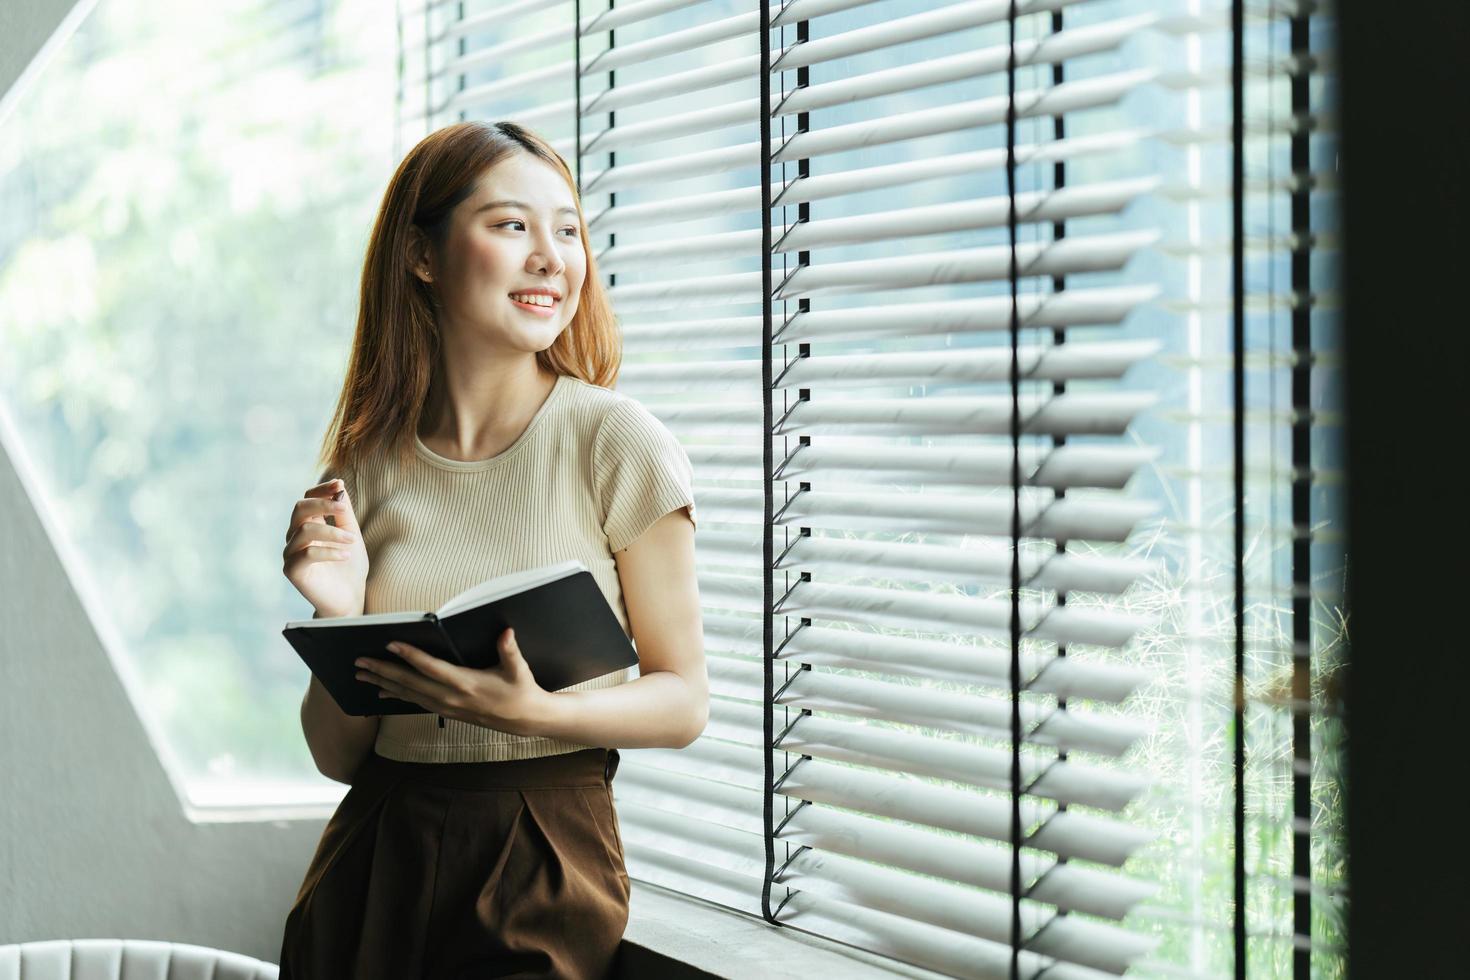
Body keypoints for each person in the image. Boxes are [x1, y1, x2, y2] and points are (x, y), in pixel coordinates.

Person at [276, 120, 706, 979]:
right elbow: (337, 756)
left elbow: (683, 701)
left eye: (568, 229)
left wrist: (534, 713)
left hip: (542, 847)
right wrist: (339, 614)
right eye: (512, 226)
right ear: (422, 256)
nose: (551, 256)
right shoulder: (365, 465)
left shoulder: (616, 441)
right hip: (376, 851)